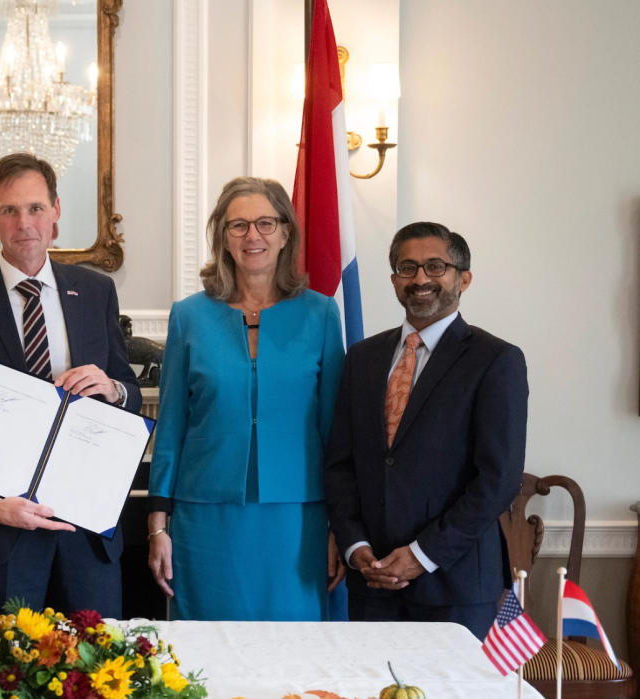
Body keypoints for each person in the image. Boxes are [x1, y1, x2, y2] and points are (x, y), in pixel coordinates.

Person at [0, 152, 141, 618]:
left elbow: (127, 389)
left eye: (35, 208)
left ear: (57, 212)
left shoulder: (95, 291)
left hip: (86, 527)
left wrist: (111, 389)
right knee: (6, 681)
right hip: (4, 531)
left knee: (100, 673)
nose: (24, 222)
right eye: (9, 210)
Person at [145, 177, 345, 621]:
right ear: (223, 238)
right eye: (238, 225)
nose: (253, 236)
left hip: (300, 518)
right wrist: (158, 524)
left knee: (295, 650)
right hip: (206, 514)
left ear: (286, 232)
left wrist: (342, 526)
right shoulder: (189, 316)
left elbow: (336, 432)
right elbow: (172, 426)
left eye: (265, 223)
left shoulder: (322, 314)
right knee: (209, 653)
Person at [324, 222, 527, 639]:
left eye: (435, 266)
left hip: (455, 585)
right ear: (395, 280)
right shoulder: (362, 358)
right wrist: (353, 545)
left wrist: (421, 555)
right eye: (407, 267)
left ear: (463, 278)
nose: (420, 279)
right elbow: (341, 463)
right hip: (372, 580)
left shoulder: (496, 360)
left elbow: (498, 480)